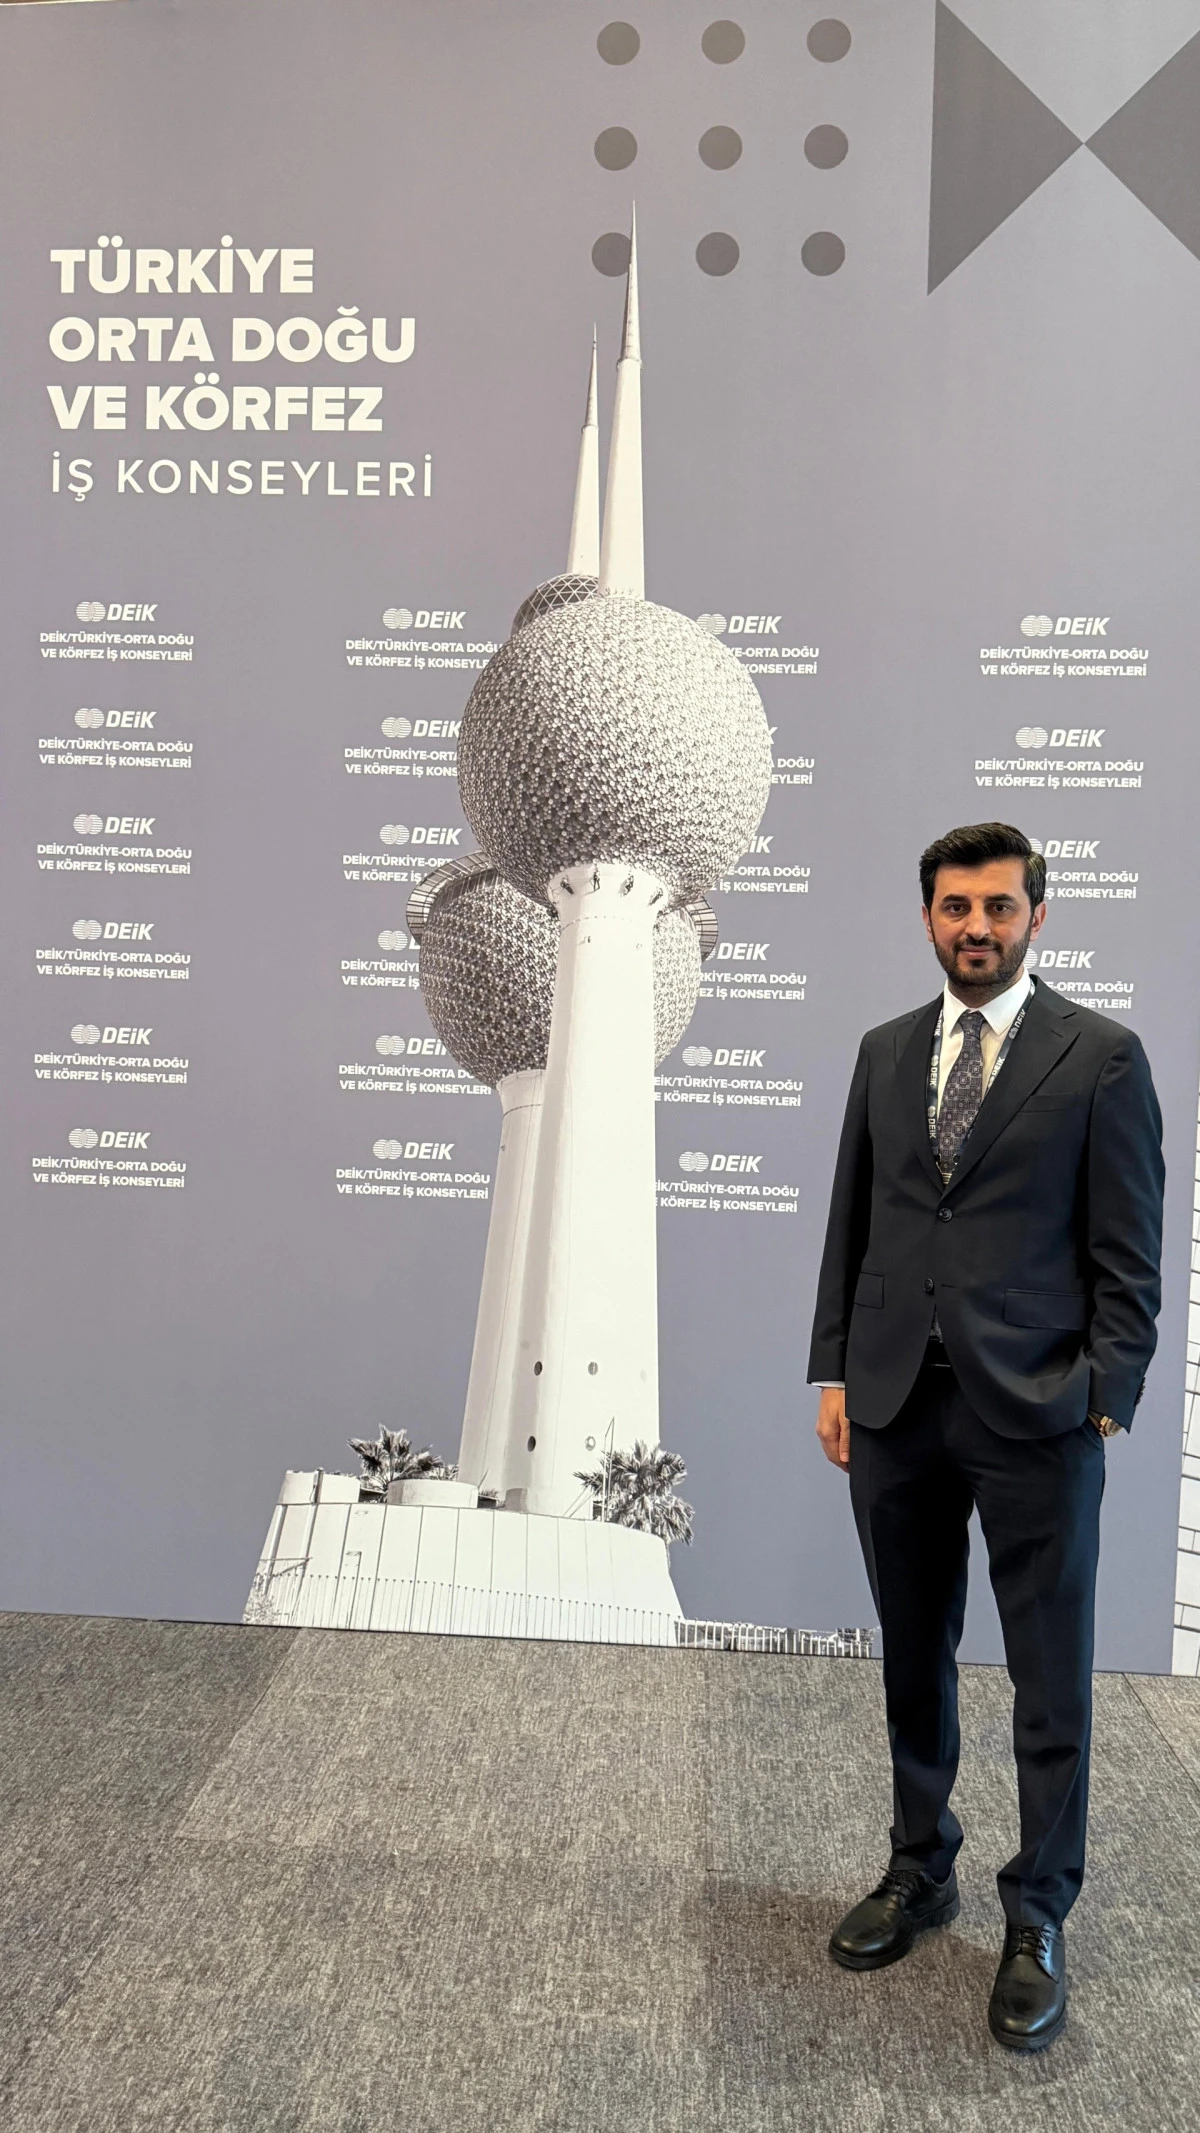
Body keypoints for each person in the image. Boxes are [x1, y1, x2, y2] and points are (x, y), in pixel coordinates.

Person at [808, 821, 1163, 2052]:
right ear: (928, 918)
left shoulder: (1101, 1057)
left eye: (999, 907)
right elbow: (854, 1222)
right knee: (915, 1654)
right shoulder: (884, 1051)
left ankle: (1038, 1911)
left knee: (1049, 1678)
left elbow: (1130, 1252)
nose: (976, 927)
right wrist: (833, 1367)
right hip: (896, 1400)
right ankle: (921, 1866)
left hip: (1040, 1412)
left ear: (1036, 917)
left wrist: (1106, 1391)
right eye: (956, 907)